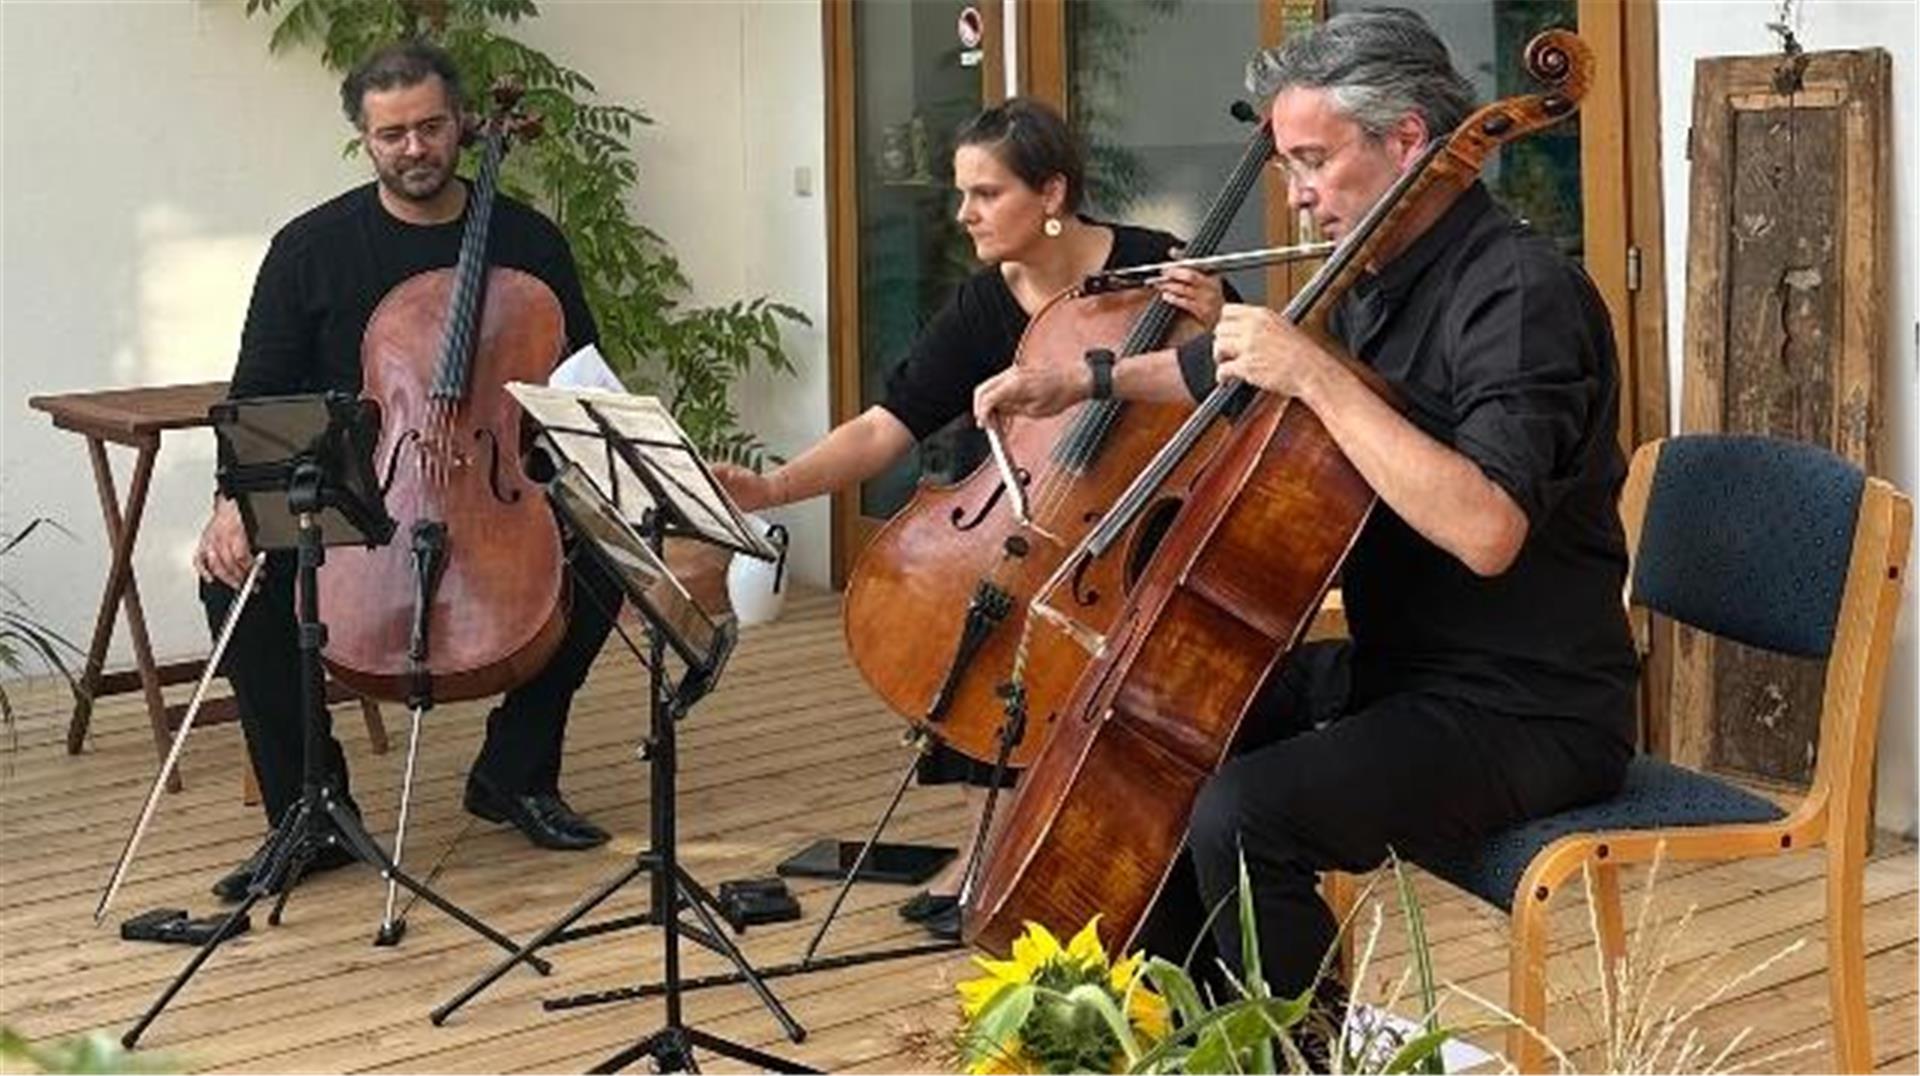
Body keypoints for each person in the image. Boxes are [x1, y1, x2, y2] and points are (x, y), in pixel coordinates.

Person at [974, 7, 1637, 1019]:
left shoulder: (1517, 295)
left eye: (1315, 162)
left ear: (1408, 140)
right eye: (1288, 165)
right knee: (1179, 716)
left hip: (1526, 704)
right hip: (1405, 668)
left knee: (1248, 812)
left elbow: (1487, 526)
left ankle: (1295, 1045)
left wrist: (1319, 381)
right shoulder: (1382, 275)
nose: (1298, 194)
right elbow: (1223, 363)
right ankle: (1180, 1026)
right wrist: (1085, 379)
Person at [713, 97, 1228, 940]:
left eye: (986, 194)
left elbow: (1235, 395)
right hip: (1031, 516)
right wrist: (776, 489)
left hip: (1144, 525)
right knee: (969, 610)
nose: (964, 214)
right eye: (964, 193)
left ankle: (1094, 847)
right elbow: (890, 424)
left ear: (1052, 193)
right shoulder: (986, 305)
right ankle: (987, 839)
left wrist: (1213, 321)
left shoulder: (1154, 271)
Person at [193, 41, 622, 902]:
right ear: (365, 138)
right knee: (231, 584)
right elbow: (260, 393)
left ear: (463, 124)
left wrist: (596, 477)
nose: (415, 149)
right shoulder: (309, 248)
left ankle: (515, 772)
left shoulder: (529, 240)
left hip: (492, 481)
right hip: (365, 489)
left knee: (610, 568)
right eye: (392, 135)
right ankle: (307, 810)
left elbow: (577, 374)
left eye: (429, 127)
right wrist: (230, 502)